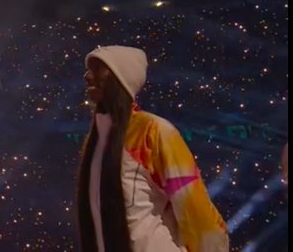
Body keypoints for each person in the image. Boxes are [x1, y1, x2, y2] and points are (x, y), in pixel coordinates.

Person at [77, 45, 229, 251]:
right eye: (88, 70)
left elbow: (193, 207)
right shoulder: (96, 139)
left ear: (121, 79)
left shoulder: (154, 131)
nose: (87, 77)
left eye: (97, 69)